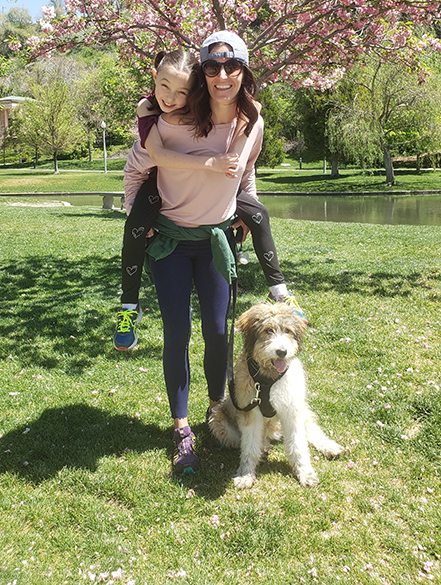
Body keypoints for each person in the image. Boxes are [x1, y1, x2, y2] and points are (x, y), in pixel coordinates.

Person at [122, 30, 264, 473]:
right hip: (170, 245)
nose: (222, 76)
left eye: (231, 67)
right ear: (204, 74)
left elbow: (247, 172)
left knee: (218, 332)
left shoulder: (246, 122)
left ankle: (217, 408)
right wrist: (135, 218)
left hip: (215, 244)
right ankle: (181, 426)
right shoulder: (162, 124)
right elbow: (135, 168)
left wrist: (248, 207)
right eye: (212, 68)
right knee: (178, 335)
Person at [114, 46, 305, 352]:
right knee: (134, 227)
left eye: (181, 92)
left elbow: (246, 167)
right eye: (164, 87)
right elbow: (146, 162)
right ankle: (128, 306)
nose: (171, 98)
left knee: (259, 214)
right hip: (158, 186)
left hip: (221, 195)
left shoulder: (236, 117)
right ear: (155, 78)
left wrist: (247, 203)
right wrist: (133, 207)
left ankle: (279, 291)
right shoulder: (151, 113)